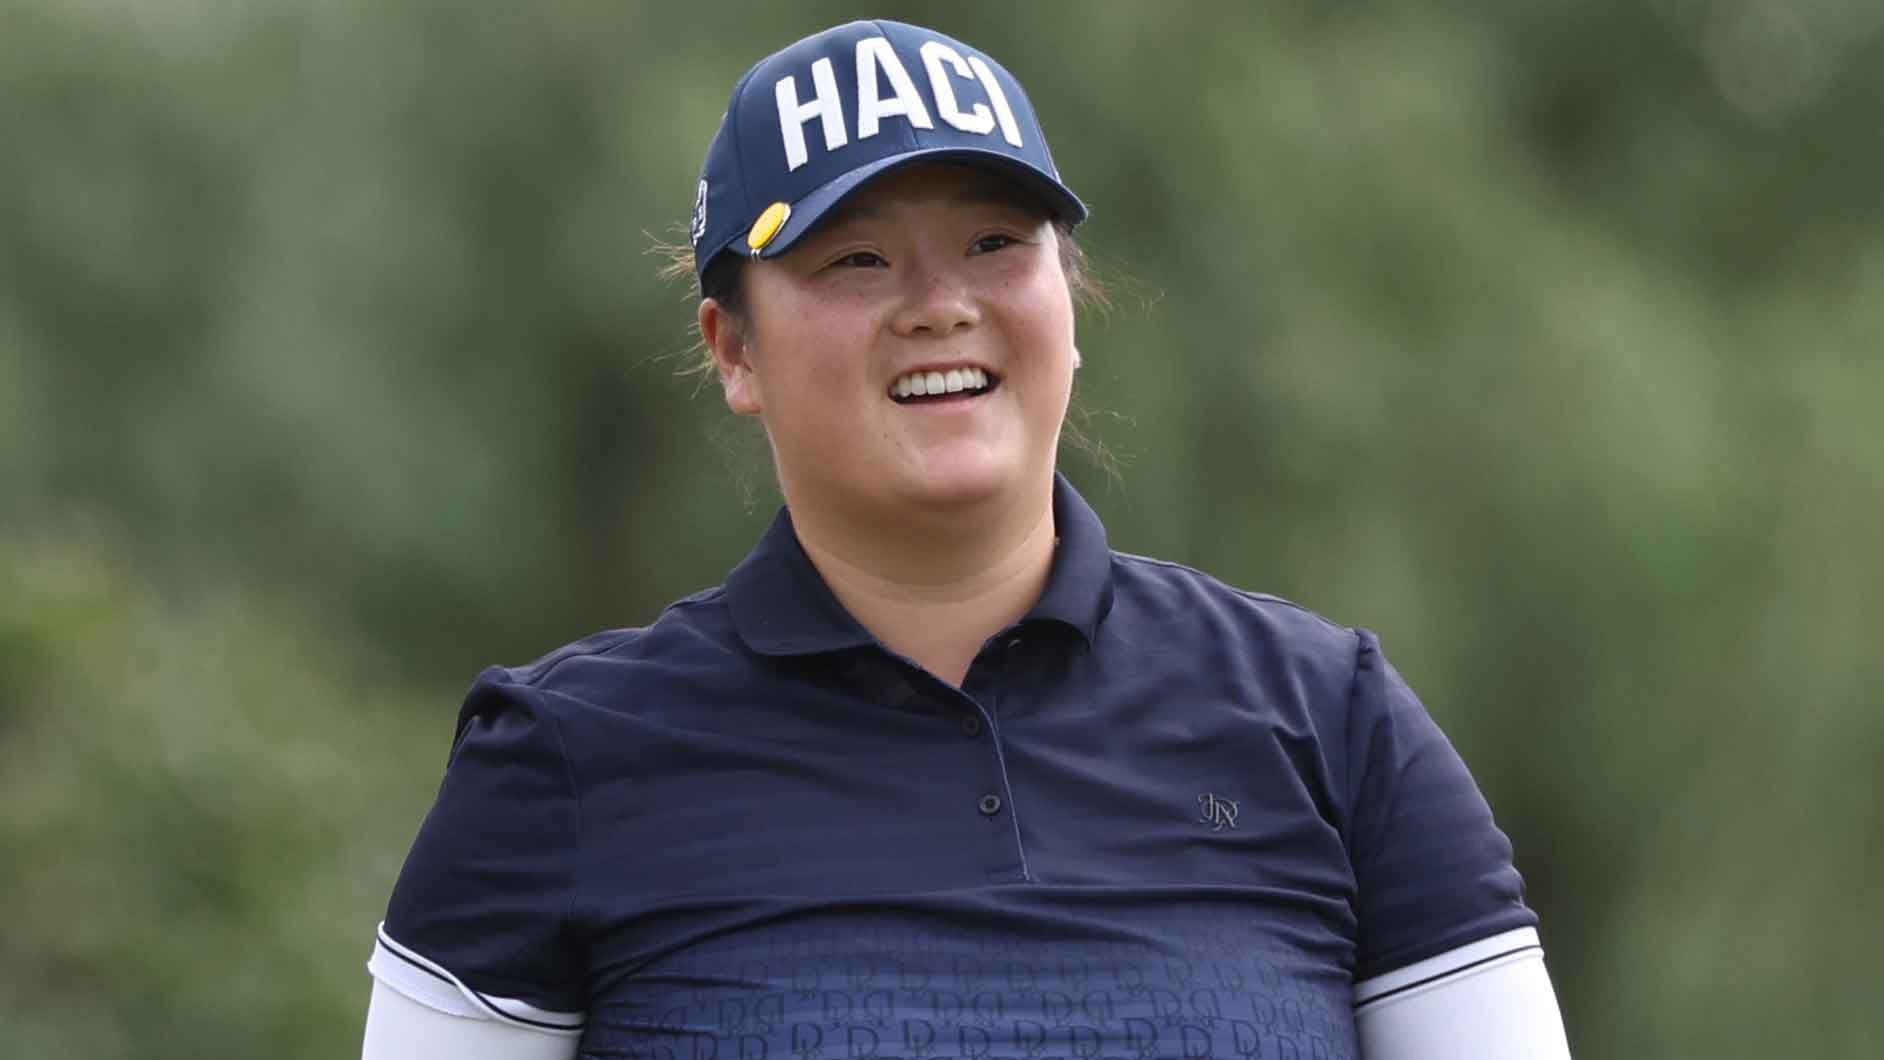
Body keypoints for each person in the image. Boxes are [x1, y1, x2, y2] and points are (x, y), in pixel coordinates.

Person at [360, 19, 1573, 1060]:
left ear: (1069, 298)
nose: (940, 303)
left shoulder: (1330, 720)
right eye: (856, 258)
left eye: (996, 243)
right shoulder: (563, 762)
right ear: (734, 349)